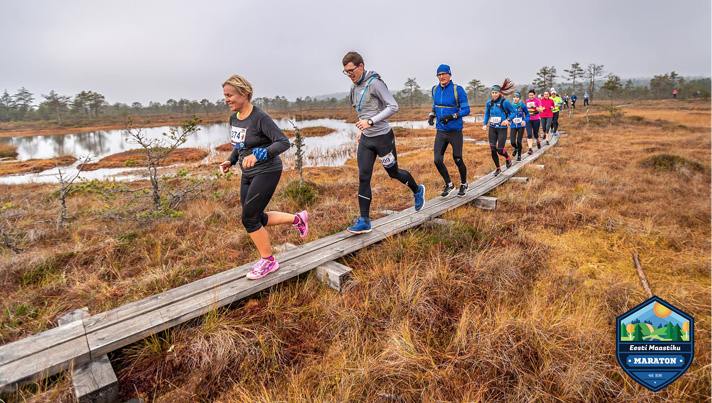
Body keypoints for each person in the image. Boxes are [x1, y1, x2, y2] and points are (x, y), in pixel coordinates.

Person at [219, 75, 309, 280]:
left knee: (249, 218)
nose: (226, 99)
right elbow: (239, 145)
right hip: (247, 173)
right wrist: (230, 161)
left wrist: (258, 154)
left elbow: (283, 142)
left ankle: (269, 261)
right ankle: (298, 219)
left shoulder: (260, 118)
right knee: (256, 217)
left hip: (267, 170)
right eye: (224, 95)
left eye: (230, 95)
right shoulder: (234, 118)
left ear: (245, 94)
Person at [341, 51, 425, 234]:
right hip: (367, 139)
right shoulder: (354, 88)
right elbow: (364, 111)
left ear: (361, 66)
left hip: (383, 139)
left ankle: (417, 190)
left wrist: (371, 122)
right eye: (346, 71)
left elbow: (393, 106)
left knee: (393, 173)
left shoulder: (375, 84)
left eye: (351, 70)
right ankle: (364, 220)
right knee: (364, 177)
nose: (349, 74)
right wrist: (362, 129)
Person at [428, 64, 471, 197]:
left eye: (444, 74)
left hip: (455, 131)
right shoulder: (435, 89)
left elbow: (466, 110)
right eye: (439, 75)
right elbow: (435, 105)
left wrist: (452, 117)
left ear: (449, 75)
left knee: (457, 159)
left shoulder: (458, 90)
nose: (441, 77)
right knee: (437, 160)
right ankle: (449, 184)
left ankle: (464, 184)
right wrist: (431, 115)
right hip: (441, 131)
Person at [482, 79, 516, 177]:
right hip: (492, 128)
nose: (494, 95)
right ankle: (498, 168)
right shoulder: (489, 103)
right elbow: (487, 114)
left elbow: (513, 112)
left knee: (500, 150)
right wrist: (484, 124)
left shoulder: (505, 102)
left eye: (496, 93)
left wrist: (507, 120)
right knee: (493, 149)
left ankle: (507, 157)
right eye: (492, 93)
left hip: (502, 129)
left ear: (500, 93)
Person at [508, 92, 529, 162]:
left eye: (516, 97)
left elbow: (528, 115)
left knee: (519, 141)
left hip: (521, 126)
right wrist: (508, 120)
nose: (515, 99)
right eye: (514, 97)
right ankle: (516, 148)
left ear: (519, 98)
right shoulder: (510, 106)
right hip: (513, 126)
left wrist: (524, 121)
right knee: (512, 142)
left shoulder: (523, 106)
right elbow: (508, 115)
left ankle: (519, 156)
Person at [525, 90, 544, 155]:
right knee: (529, 134)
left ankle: (538, 142)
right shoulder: (527, 101)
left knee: (536, 134)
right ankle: (530, 148)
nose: (531, 96)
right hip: (528, 120)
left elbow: (541, 110)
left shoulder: (538, 101)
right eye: (530, 95)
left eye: (532, 95)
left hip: (536, 119)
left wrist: (534, 106)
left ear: (534, 95)